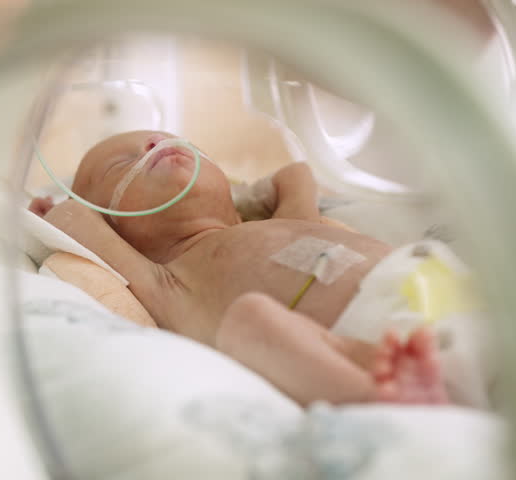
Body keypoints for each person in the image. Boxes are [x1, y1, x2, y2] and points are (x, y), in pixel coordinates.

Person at [28, 130, 471, 407]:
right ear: (113, 227)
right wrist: (59, 209)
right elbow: (73, 222)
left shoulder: (291, 223)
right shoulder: (165, 279)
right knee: (250, 321)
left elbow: (295, 173)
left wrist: (244, 198)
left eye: (173, 141)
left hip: (453, 297)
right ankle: (377, 396)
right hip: (384, 344)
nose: (153, 144)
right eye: (118, 166)